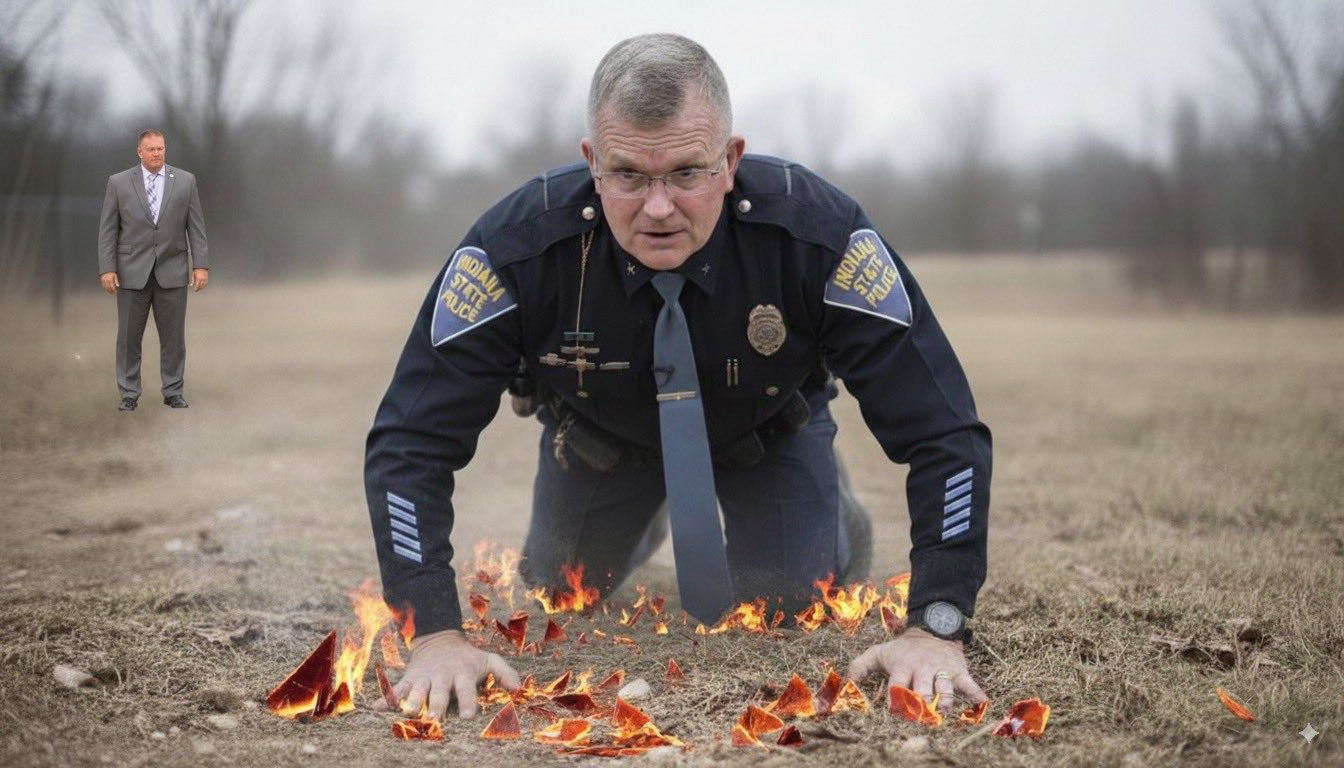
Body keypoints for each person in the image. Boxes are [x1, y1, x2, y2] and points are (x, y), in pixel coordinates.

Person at [366, 33, 991, 720]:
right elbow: (409, 442)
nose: (657, 206)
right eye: (628, 175)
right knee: (554, 586)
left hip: (768, 432)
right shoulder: (517, 250)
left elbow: (943, 431)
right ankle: (652, 511)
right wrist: (434, 631)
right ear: (591, 163)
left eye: (687, 173)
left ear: (731, 160)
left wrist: (936, 626)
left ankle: (834, 511)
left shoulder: (819, 236)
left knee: (784, 603)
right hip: (602, 442)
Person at [97, 129, 209, 411]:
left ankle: (173, 391)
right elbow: (108, 231)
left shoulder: (185, 181)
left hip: (172, 269)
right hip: (131, 272)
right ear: (139, 152)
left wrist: (201, 264)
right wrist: (107, 268)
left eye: (161, 148)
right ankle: (129, 393)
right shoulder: (119, 183)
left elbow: (196, 228)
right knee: (128, 338)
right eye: (151, 149)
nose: (157, 153)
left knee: (173, 337)